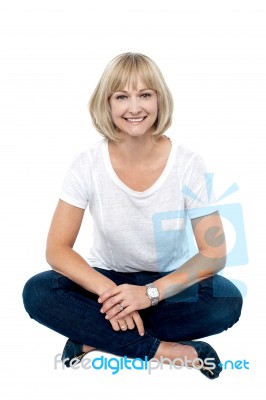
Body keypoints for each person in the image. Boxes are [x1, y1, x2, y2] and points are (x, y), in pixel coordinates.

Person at [22, 52, 242, 379]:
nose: (135, 107)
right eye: (122, 96)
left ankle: (92, 339)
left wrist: (148, 294)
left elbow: (214, 255)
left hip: (168, 286)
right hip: (105, 282)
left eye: (145, 95)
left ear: (159, 99)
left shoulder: (188, 164)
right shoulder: (86, 164)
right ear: (107, 104)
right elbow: (57, 249)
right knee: (38, 292)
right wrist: (110, 294)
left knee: (227, 301)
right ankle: (169, 351)